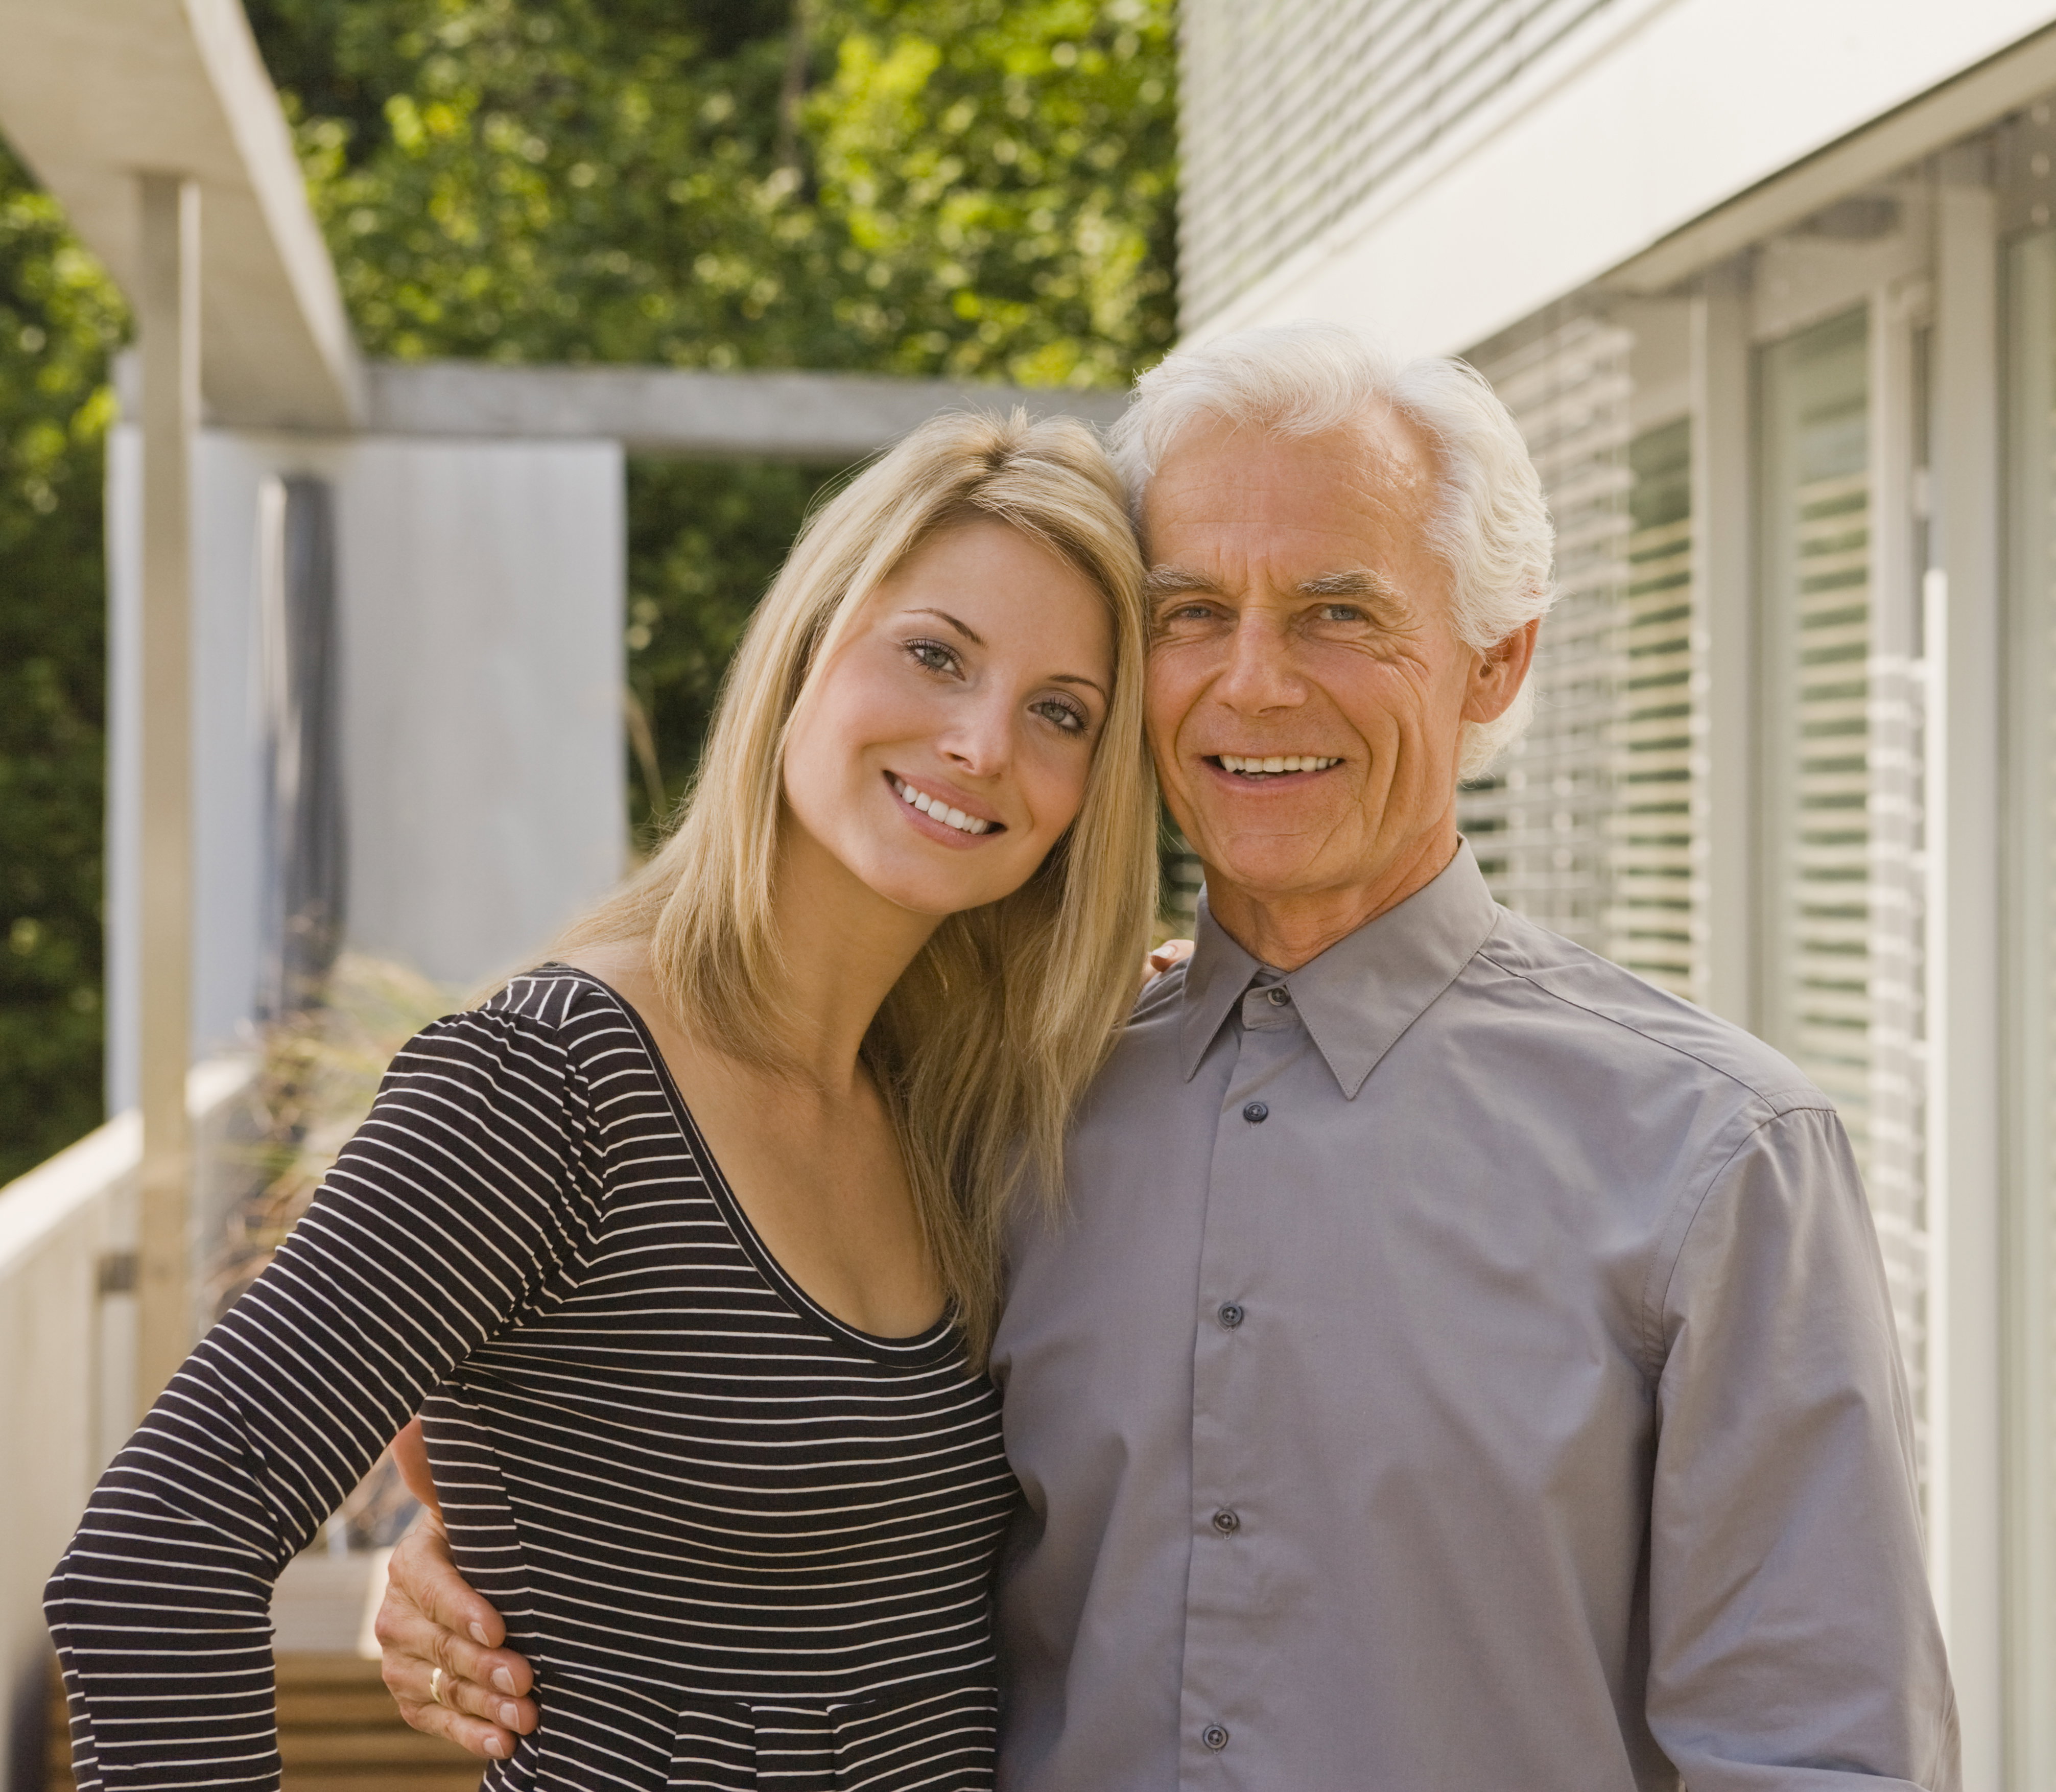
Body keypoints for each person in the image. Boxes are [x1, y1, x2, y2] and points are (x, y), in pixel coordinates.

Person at [386, 322, 1960, 1790]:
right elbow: (743, 1441)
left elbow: (1816, 1749)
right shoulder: (985, 1109)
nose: (1253, 680)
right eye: (1192, 613)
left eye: (1340, 614)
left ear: (1497, 666)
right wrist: (459, 1550)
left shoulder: (1716, 1157)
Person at [45, 410, 1161, 1792]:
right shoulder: (550, 1082)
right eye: (934, 653)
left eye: (1062, 711)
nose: (985, 742)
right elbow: (154, 1564)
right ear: (807, 647)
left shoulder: (958, 1107)